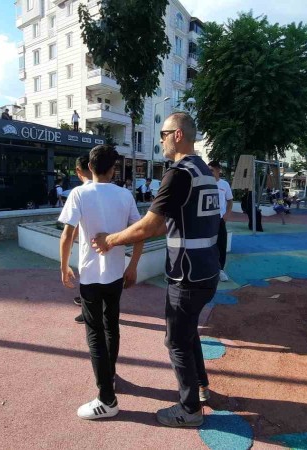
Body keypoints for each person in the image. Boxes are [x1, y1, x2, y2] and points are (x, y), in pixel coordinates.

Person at [92, 112, 219, 427]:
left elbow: (149, 225)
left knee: (176, 341)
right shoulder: (204, 171)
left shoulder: (178, 174)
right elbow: (168, 224)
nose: (160, 140)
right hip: (207, 271)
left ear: (177, 135)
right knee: (188, 332)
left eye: (163, 134)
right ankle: (201, 386)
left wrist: (110, 240)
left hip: (186, 275)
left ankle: (189, 410)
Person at [58, 145, 143, 420]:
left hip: (90, 276)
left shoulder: (79, 193)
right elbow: (139, 233)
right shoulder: (124, 195)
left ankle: (106, 398)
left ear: (89, 168)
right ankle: (110, 375)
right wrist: (133, 266)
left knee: (94, 332)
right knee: (111, 325)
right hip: (116, 274)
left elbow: (67, 235)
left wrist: (64, 267)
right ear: (112, 169)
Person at [69, 154, 93, 324]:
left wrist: (68, 246)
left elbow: (71, 227)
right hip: (110, 247)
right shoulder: (117, 192)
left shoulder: (80, 192)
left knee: (88, 280)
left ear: (79, 170)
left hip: (91, 248)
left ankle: (87, 312)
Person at [208, 161, 234, 282]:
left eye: (211, 170)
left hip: (219, 220)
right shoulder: (205, 183)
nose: (209, 173)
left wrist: (226, 215)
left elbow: (230, 201)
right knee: (206, 245)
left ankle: (220, 270)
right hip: (206, 220)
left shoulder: (224, 184)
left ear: (218, 171)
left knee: (221, 245)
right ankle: (206, 269)